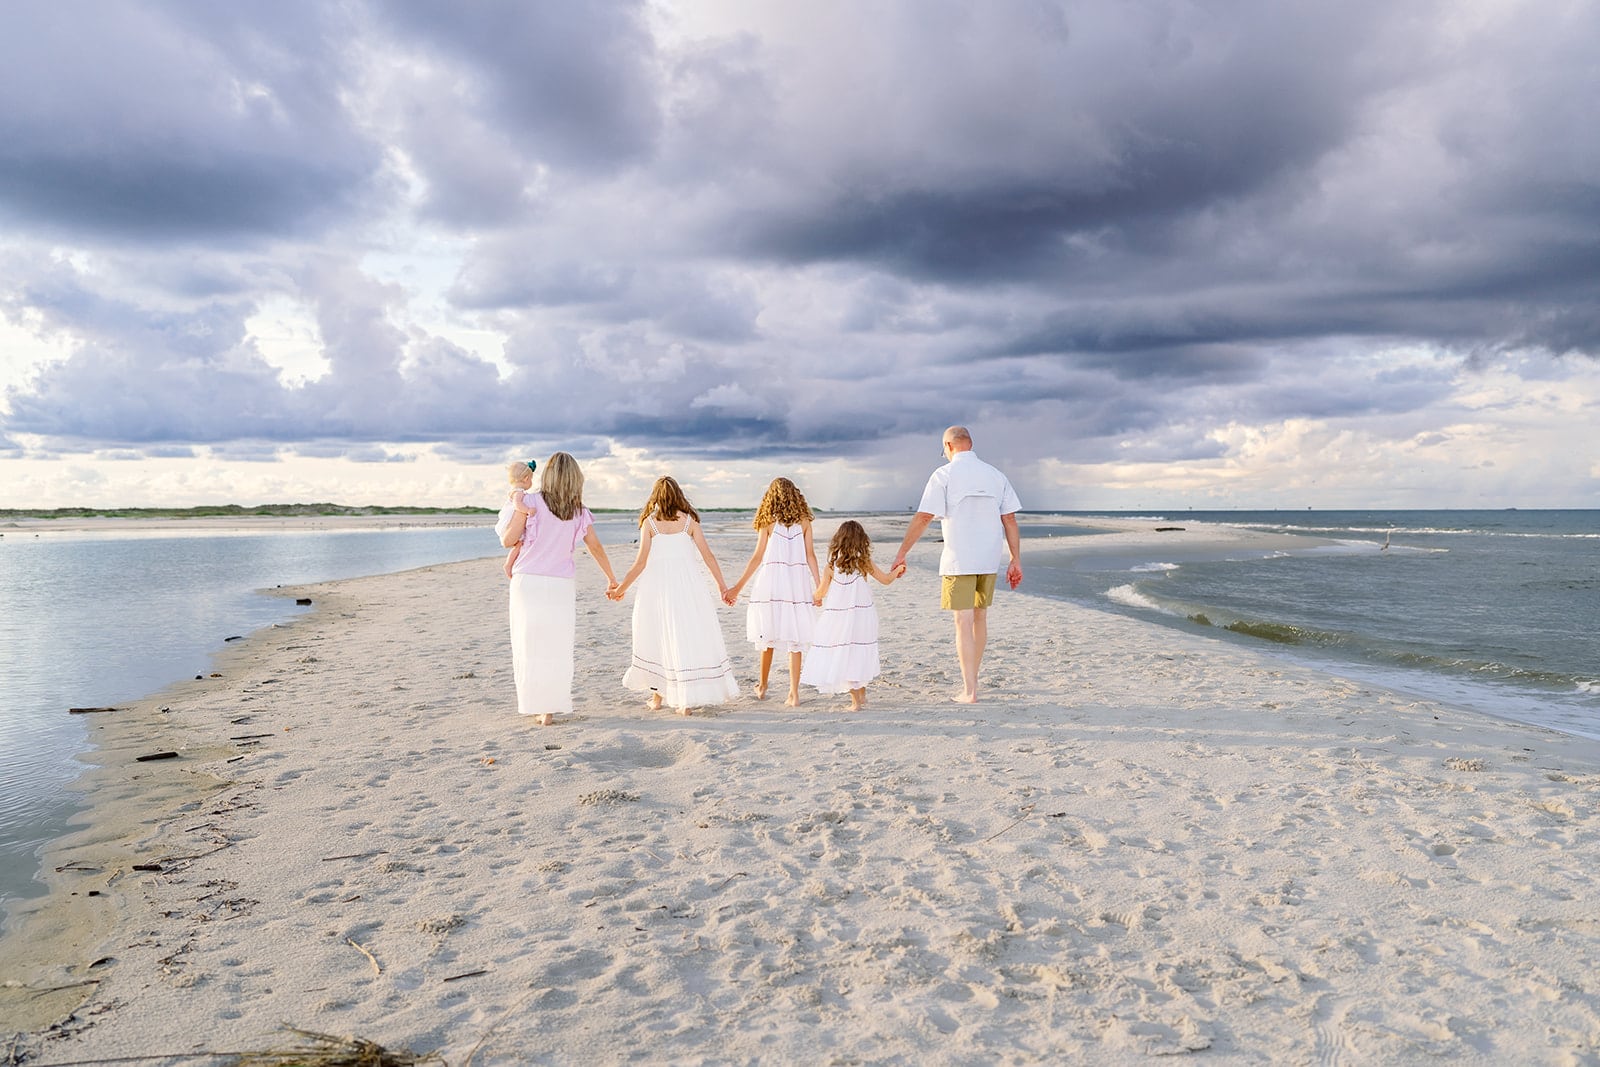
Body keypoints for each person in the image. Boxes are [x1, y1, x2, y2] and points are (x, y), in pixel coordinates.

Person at [890, 426, 1022, 704]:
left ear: (949, 447)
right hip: (988, 558)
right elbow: (1009, 520)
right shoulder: (995, 475)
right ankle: (973, 681)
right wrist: (1015, 559)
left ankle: (969, 689)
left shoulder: (944, 475)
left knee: (962, 622)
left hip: (959, 558)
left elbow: (925, 516)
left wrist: (902, 552)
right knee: (980, 618)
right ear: (970, 445)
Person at [496, 453, 620, 726]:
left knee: (529, 645)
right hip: (560, 585)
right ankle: (549, 709)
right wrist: (611, 578)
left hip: (528, 582)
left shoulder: (528, 502)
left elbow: (508, 540)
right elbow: (596, 548)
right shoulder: (578, 511)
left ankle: (537, 705)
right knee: (556, 646)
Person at [611, 476, 740, 716]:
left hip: (657, 588)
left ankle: (660, 699)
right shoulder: (689, 522)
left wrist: (621, 589)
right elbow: (708, 556)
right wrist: (722, 586)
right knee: (683, 636)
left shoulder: (650, 523)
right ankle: (681, 702)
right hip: (688, 588)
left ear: (655, 497)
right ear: (679, 495)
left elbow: (640, 563)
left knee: (660, 636)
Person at [723, 477, 821, 706]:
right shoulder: (805, 521)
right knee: (795, 639)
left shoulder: (768, 522)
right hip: (796, 584)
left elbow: (757, 558)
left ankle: (763, 686)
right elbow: (810, 556)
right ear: (796, 496)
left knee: (766, 635)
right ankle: (794, 694)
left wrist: (738, 587)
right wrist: (818, 586)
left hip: (771, 583)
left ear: (770, 498)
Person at [801, 520, 900, 710]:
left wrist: (814, 598)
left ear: (839, 541)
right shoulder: (864, 563)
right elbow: (886, 580)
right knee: (860, 651)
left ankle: (856, 702)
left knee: (846, 653)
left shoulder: (831, 566)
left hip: (839, 618)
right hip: (863, 616)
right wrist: (898, 571)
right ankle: (861, 696)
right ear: (861, 540)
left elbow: (821, 592)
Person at [500, 459, 536, 580]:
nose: (531, 482)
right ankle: (508, 564)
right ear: (526, 479)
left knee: (518, 545)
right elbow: (517, 505)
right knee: (519, 544)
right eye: (531, 479)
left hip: (508, 522)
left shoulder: (514, 491)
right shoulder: (518, 492)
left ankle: (509, 564)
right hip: (509, 523)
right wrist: (528, 510)